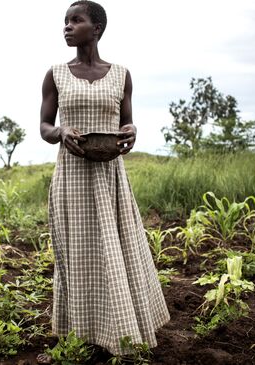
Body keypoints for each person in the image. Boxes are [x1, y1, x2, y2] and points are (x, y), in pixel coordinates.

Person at [39, 0, 170, 359]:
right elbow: (44, 126)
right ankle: (85, 335)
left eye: (75, 20)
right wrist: (61, 131)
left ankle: (119, 332)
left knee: (115, 251)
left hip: (110, 175)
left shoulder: (121, 74)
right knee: (80, 255)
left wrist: (130, 132)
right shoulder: (55, 74)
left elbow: (126, 123)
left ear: (96, 28)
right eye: (65, 21)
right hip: (73, 176)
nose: (67, 26)